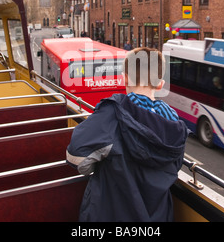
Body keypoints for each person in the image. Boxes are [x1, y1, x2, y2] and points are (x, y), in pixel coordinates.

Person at [66, 47, 188, 222]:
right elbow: (175, 166)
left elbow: (75, 156)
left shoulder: (112, 114)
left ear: (125, 78)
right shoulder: (175, 123)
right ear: (160, 84)